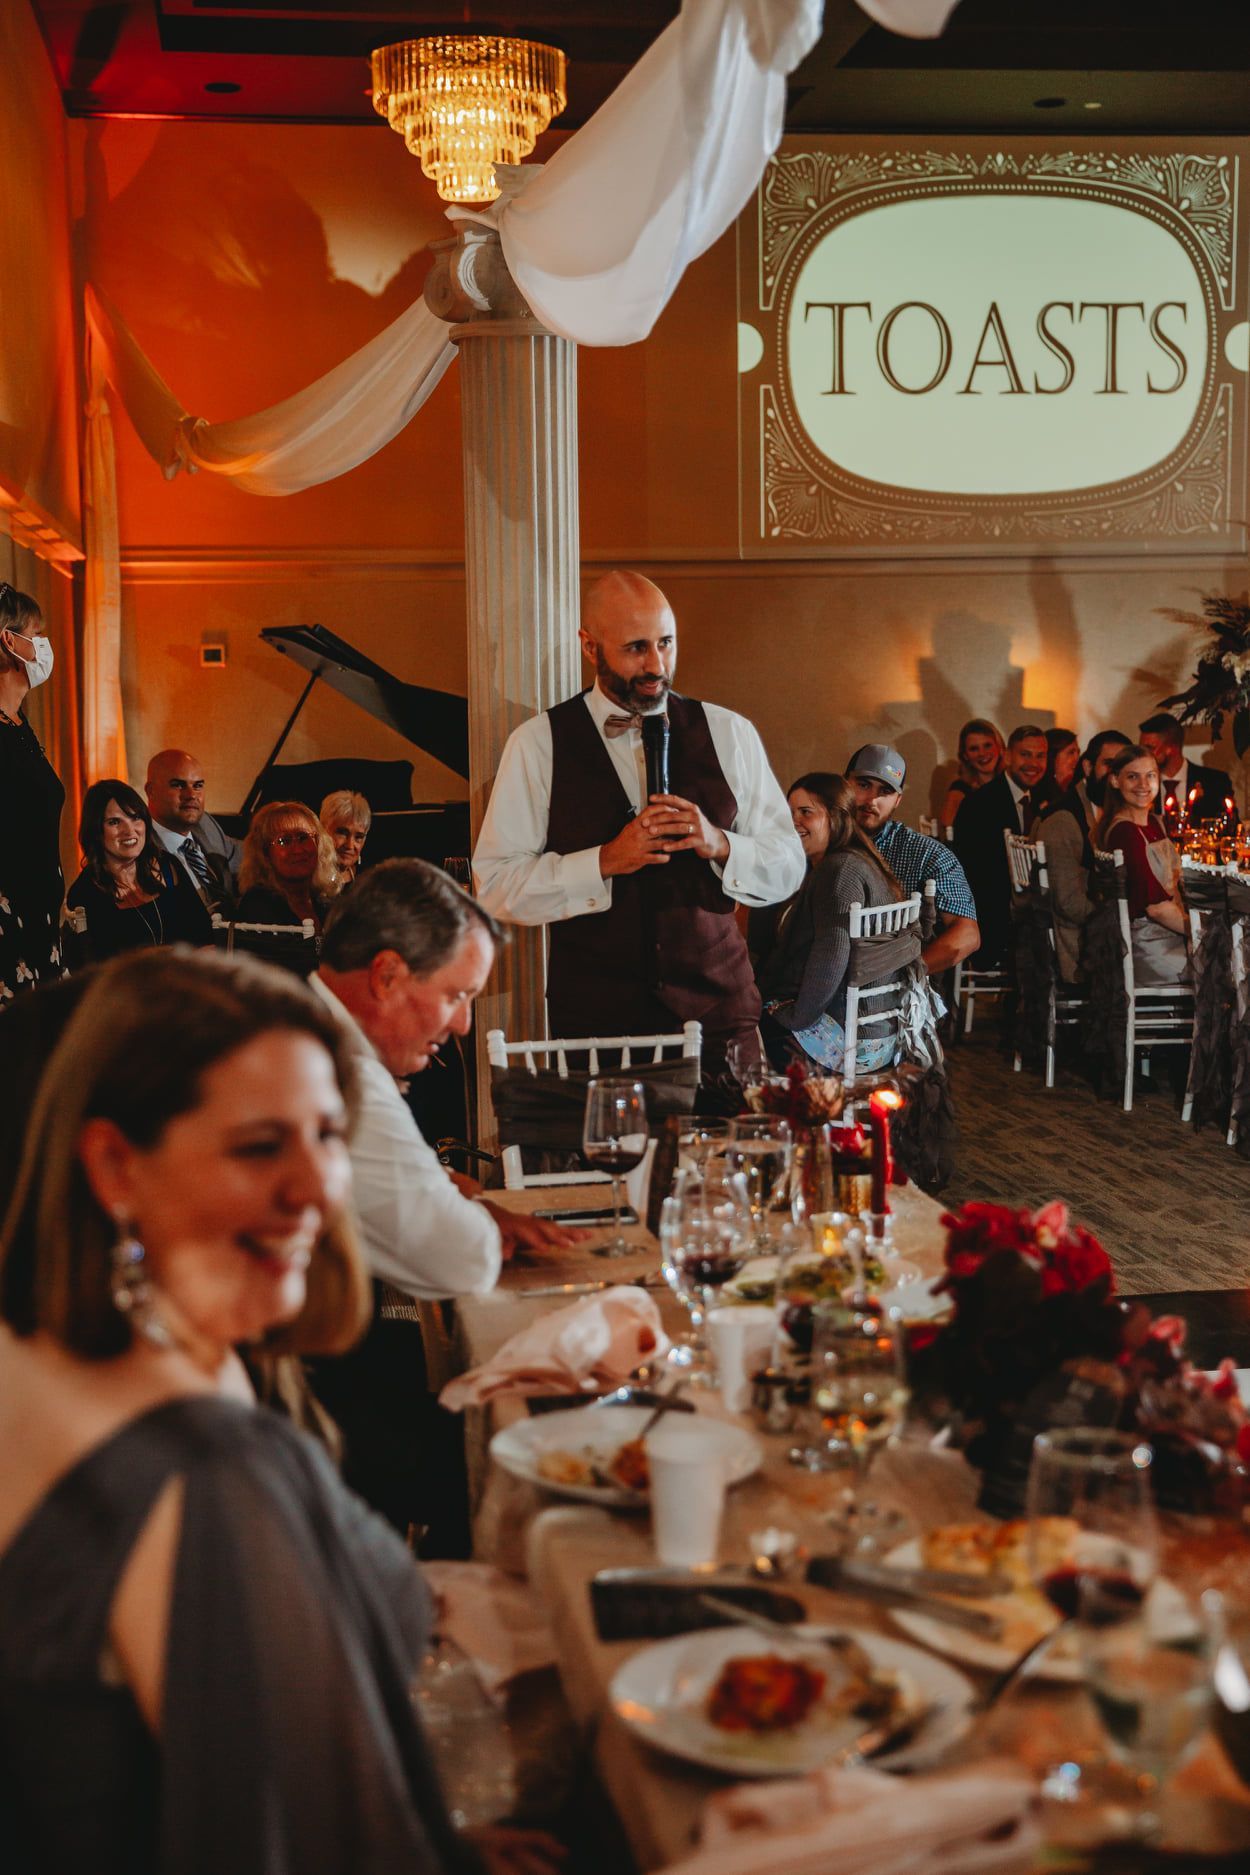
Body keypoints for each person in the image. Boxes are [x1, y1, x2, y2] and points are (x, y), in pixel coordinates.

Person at [0, 947, 509, 1873]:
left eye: (327, 1135)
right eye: (258, 1144)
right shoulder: (208, 1471)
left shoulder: (46, 1343)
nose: (320, 1191)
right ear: (115, 1164)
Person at [307, 859, 584, 1544]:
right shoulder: (337, 1070)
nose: (463, 1024)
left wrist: (460, 1200)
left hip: (294, 1360)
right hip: (282, 1400)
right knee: (538, 1459)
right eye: (457, 995)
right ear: (388, 974)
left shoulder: (309, 1020)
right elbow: (458, 1259)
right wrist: (474, 1216)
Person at [471, 570, 804, 1099]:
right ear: (589, 646)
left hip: (721, 1018)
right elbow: (493, 885)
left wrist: (721, 843)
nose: (655, 665)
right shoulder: (537, 745)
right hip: (600, 1030)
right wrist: (603, 860)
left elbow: (789, 862)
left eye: (665, 643)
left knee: (736, 1173)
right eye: (635, 648)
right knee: (615, 1179)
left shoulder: (730, 732)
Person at [752, 773, 909, 1074]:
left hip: (848, 1040)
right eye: (789, 813)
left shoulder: (839, 871)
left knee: (733, 1031)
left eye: (806, 812)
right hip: (879, 1034)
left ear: (836, 818)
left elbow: (831, 955)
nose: (793, 822)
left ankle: (774, 1117)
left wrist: (796, 1018)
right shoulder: (856, 860)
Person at [845, 744, 980, 976]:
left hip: (889, 986)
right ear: (844, 784)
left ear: (897, 800)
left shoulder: (926, 854)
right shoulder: (821, 839)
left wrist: (900, 974)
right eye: (864, 785)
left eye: (885, 792)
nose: (872, 800)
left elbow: (967, 935)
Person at [65, 781, 212, 962]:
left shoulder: (168, 865)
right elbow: (92, 973)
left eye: (135, 818)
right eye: (114, 822)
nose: (129, 831)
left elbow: (206, 939)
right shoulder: (84, 894)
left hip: (189, 981)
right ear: (96, 830)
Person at [0, 583, 64, 999]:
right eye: (37, 634)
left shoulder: (19, 723)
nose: (43, 646)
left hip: (41, 912)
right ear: (9, 640)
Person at [1036, 730, 1130, 982]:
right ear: (1088, 767)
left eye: (1123, 767)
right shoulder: (1063, 820)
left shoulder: (1121, 813)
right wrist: (1126, 918)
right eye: (1109, 764)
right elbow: (1068, 903)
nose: (1115, 776)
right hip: (1083, 944)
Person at [953, 723, 1049, 964]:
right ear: (1007, 756)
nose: (1033, 763)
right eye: (1025, 754)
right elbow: (976, 873)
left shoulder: (1044, 798)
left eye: (1040, 756)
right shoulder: (980, 804)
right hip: (994, 917)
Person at [1093, 744, 1189, 985]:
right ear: (1115, 781)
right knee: (1232, 960)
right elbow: (1155, 908)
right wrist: (1204, 932)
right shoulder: (1125, 833)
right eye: (1133, 777)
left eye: (1151, 775)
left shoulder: (1154, 824)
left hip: (1169, 934)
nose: (1144, 785)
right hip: (1149, 945)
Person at [145, 747, 241, 905]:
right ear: (151, 791)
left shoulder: (205, 824)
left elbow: (251, 853)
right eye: (178, 785)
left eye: (197, 786)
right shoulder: (139, 846)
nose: (191, 795)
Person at [236, 800, 341, 931]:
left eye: (303, 837)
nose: (297, 850)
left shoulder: (326, 901)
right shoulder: (257, 904)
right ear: (264, 853)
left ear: (318, 843)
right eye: (284, 841)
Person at [1137, 712, 1234, 826]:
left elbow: (1230, 827)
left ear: (1172, 747)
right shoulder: (1140, 785)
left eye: (1150, 748)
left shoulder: (1214, 782)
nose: (1143, 755)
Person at [937, 718, 1006, 828]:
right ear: (965, 755)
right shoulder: (960, 789)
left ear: (1000, 747)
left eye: (987, 745)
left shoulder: (1012, 783)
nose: (982, 753)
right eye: (974, 749)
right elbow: (947, 828)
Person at [321, 789, 372, 884]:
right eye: (342, 833)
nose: (350, 845)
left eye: (358, 837)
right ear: (323, 830)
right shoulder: (307, 880)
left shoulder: (370, 881)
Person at [1030, 727, 1081, 823]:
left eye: (1078, 753)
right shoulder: (1037, 795)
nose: (1077, 758)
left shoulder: (1077, 790)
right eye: (1071, 752)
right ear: (1052, 757)